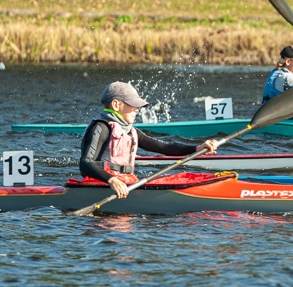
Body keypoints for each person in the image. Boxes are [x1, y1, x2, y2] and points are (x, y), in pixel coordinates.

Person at [79, 82, 218, 199]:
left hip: (124, 183)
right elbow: (85, 163)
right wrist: (111, 180)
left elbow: (164, 147)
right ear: (116, 105)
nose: (137, 110)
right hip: (102, 183)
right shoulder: (101, 127)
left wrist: (196, 148)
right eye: (132, 104)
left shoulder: (131, 131)